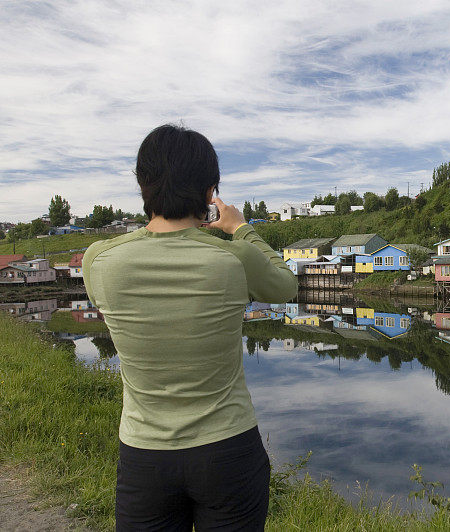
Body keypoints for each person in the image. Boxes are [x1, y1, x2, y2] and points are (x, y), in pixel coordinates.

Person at [83, 124, 298, 531]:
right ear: (208, 192)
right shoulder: (233, 258)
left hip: (144, 454)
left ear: (142, 184)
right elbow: (285, 285)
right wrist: (240, 227)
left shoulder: (100, 260)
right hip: (228, 449)